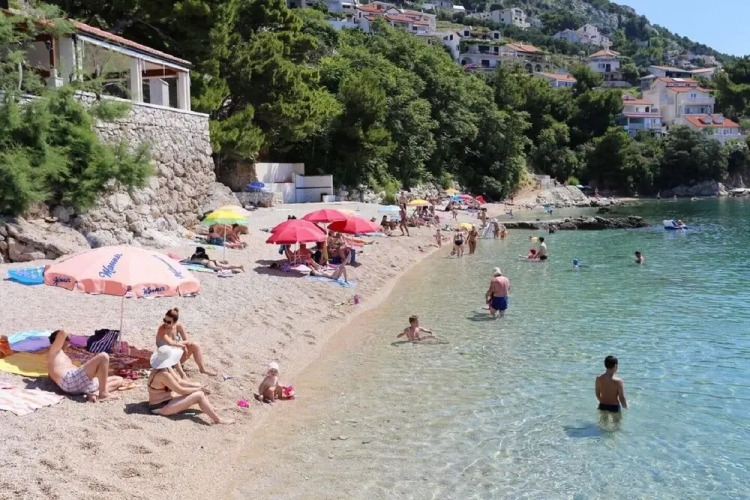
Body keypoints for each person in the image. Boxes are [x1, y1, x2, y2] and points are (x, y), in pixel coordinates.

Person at [147, 345, 234, 424]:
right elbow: (180, 390)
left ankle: (210, 409)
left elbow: (179, 381)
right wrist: (198, 389)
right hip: (160, 408)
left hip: (167, 400)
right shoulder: (163, 374)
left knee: (197, 385)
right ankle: (217, 420)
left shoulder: (165, 367)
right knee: (199, 395)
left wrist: (197, 386)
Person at [47, 330, 123, 402]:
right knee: (104, 356)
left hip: (78, 385)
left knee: (119, 379)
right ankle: (103, 393)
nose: (69, 341)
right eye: (67, 339)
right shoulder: (54, 350)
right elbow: (63, 332)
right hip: (71, 380)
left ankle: (95, 393)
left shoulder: (56, 356)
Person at [156, 308, 217, 376]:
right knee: (172, 349)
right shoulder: (161, 329)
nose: (165, 323)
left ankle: (202, 369)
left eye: (168, 322)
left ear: (175, 322)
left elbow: (187, 340)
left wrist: (181, 345)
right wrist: (181, 345)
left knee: (195, 345)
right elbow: (170, 343)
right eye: (164, 320)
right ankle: (181, 374)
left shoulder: (178, 326)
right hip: (165, 360)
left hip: (176, 356)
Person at [595, 355, 627, 421]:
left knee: (603, 425)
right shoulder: (618, 381)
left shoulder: (598, 378)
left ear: (605, 365)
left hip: (602, 405)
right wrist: (626, 407)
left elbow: (597, 394)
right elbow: (621, 397)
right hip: (614, 407)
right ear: (615, 366)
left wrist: (602, 401)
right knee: (616, 426)